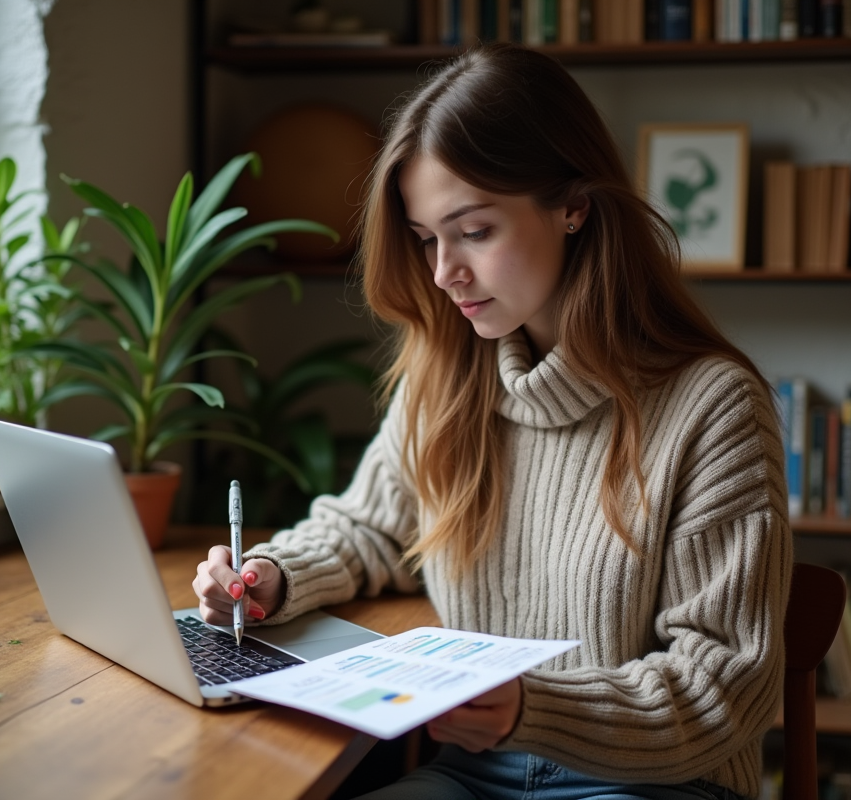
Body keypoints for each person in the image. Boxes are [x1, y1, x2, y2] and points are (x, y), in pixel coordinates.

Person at [193, 43, 791, 800]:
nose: (444, 272)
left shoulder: (714, 407)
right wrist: (267, 579)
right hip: (474, 773)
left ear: (574, 206)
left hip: (651, 783)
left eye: (473, 231)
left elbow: (724, 687)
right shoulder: (448, 377)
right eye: (426, 238)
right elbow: (368, 528)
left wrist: (532, 709)